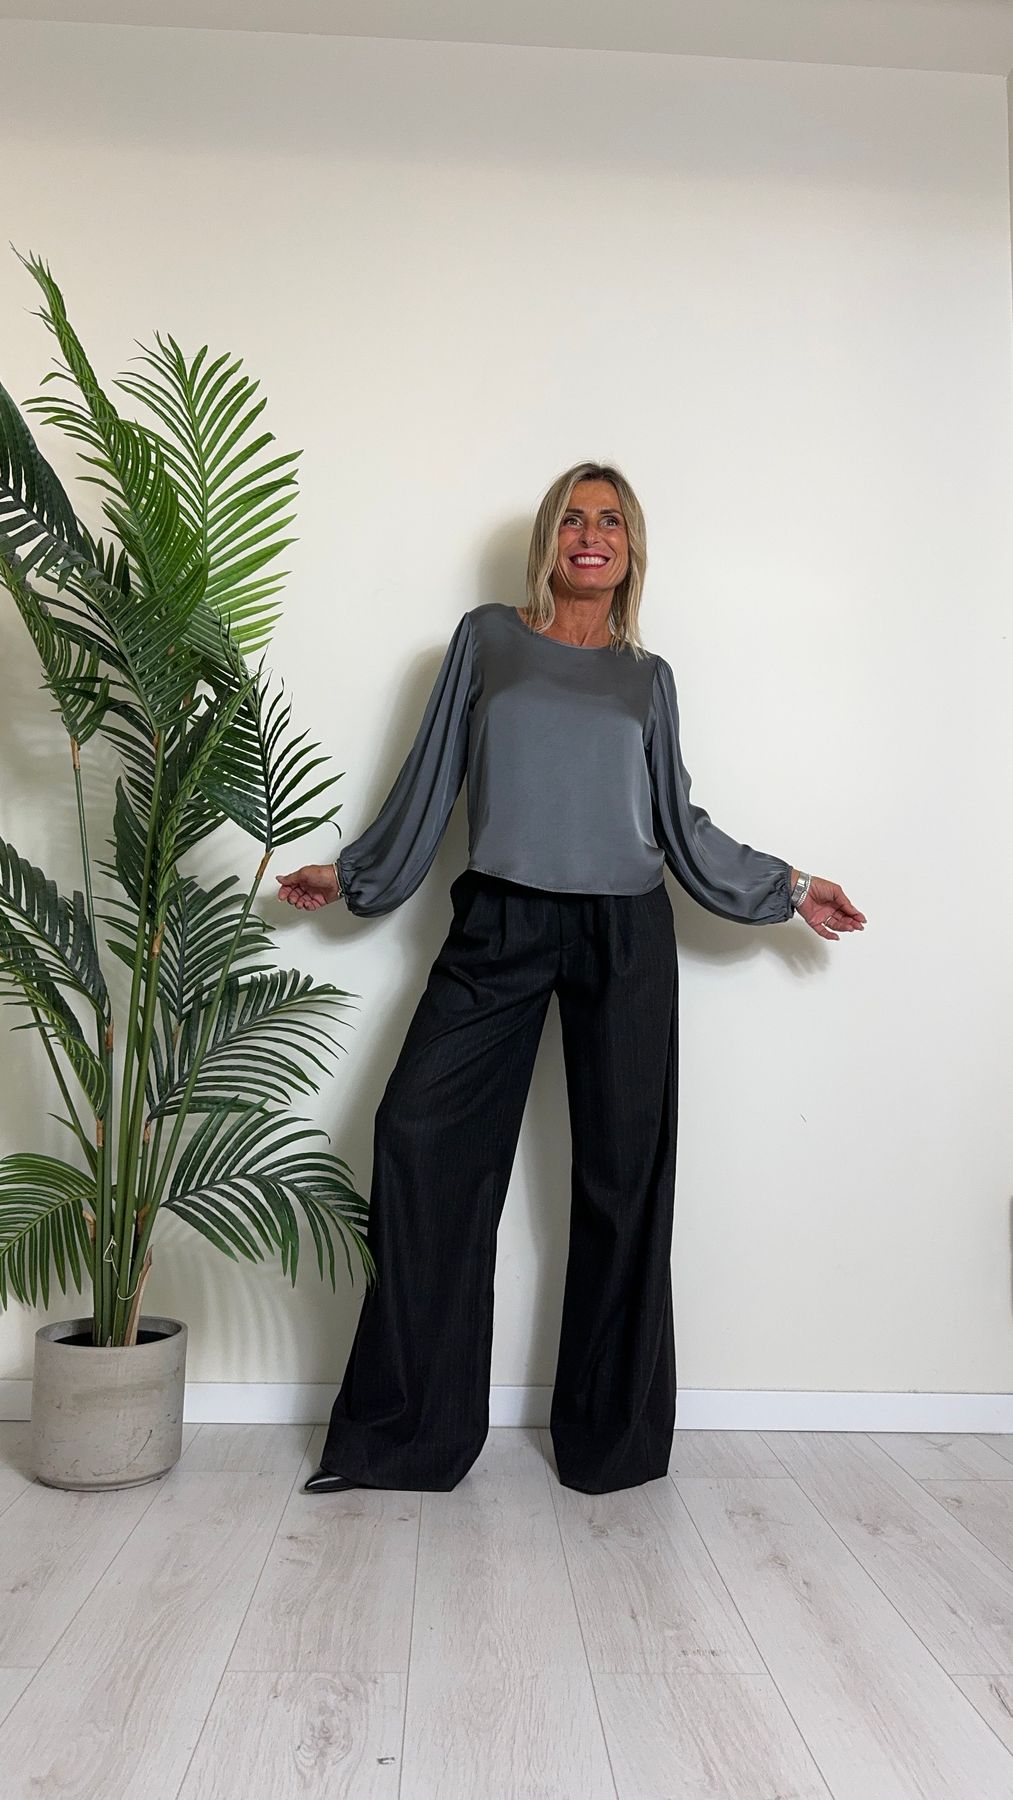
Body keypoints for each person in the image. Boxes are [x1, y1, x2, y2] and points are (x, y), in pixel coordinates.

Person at [277, 460, 866, 1497]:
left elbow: (678, 823)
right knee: (419, 1137)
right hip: (498, 921)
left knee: (622, 1181)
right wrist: (356, 874)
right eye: (572, 520)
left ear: (631, 550)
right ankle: (404, 1437)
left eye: (610, 522)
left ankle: (612, 1443)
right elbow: (428, 781)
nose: (590, 536)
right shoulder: (486, 640)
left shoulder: (647, 678)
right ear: (547, 538)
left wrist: (788, 886)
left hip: (623, 932)